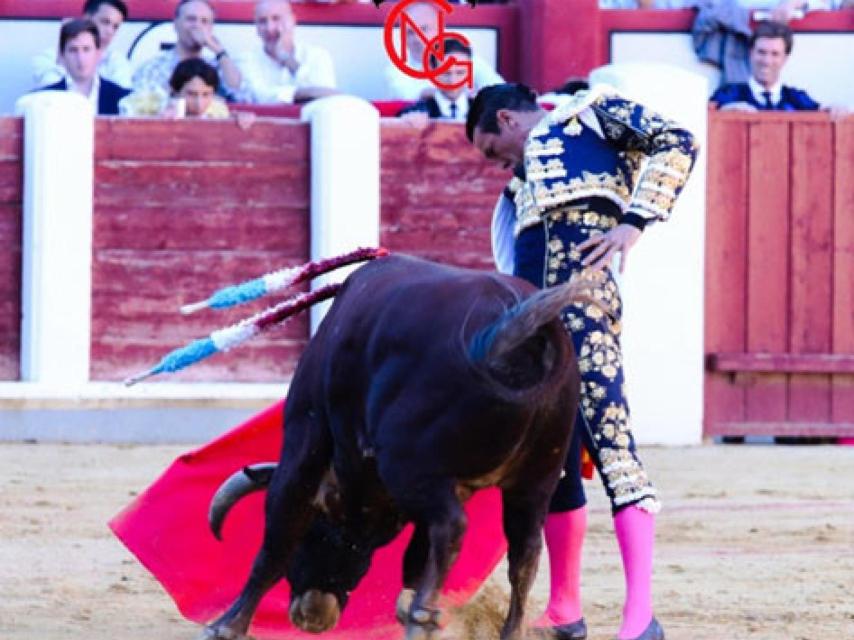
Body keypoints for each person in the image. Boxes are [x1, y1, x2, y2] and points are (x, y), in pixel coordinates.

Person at [467, 83, 698, 640]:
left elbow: (677, 140)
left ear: (507, 119)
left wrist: (634, 221)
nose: (496, 164)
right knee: (553, 463)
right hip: (534, 330)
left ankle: (640, 616)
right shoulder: (520, 183)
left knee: (614, 451)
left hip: (586, 314)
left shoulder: (592, 113)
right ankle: (565, 609)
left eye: (492, 149)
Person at [384, 0, 503, 101]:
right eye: (410, 32)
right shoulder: (396, 65)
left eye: (424, 29)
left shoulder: (461, 54)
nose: (417, 39)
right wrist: (460, 94)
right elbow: (406, 96)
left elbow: (498, 89)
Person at [132, 0, 243, 101]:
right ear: (175, 24)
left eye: (204, 21)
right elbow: (140, 106)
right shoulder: (154, 67)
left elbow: (239, 94)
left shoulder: (218, 66)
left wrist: (219, 51)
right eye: (191, 19)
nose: (197, 26)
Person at [234, 0, 338, 104]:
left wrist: (287, 59)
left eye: (276, 19)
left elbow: (327, 97)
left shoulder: (317, 55)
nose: (270, 28)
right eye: (262, 21)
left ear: (292, 21)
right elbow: (259, 96)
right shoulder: (245, 60)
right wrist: (303, 94)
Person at [710, 21, 820, 111]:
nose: (767, 61)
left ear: (785, 59)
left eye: (775, 54)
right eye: (761, 52)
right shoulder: (727, 96)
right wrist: (726, 112)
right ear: (751, 53)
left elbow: (823, 116)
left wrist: (829, 111)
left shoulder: (799, 101)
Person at [120, 58, 255, 129]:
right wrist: (156, 116)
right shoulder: (151, 101)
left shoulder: (217, 109)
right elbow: (123, 110)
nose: (199, 103)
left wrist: (237, 117)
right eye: (191, 94)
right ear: (175, 91)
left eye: (206, 95)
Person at [34, 18, 131, 115]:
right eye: (73, 50)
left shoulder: (123, 98)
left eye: (86, 49)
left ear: (98, 54)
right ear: (62, 56)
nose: (80, 58)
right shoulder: (43, 99)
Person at [32, 0, 132, 89]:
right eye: (105, 22)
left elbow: (123, 96)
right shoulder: (47, 58)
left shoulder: (116, 61)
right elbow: (50, 92)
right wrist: (62, 58)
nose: (110, 31)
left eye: (115, 27)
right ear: (86, 18)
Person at [397, 37, 472, 122]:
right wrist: (406, 123)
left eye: (460, 73)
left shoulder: (482, 111)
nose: (453, 81)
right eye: (446, 73)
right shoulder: (412, 113)